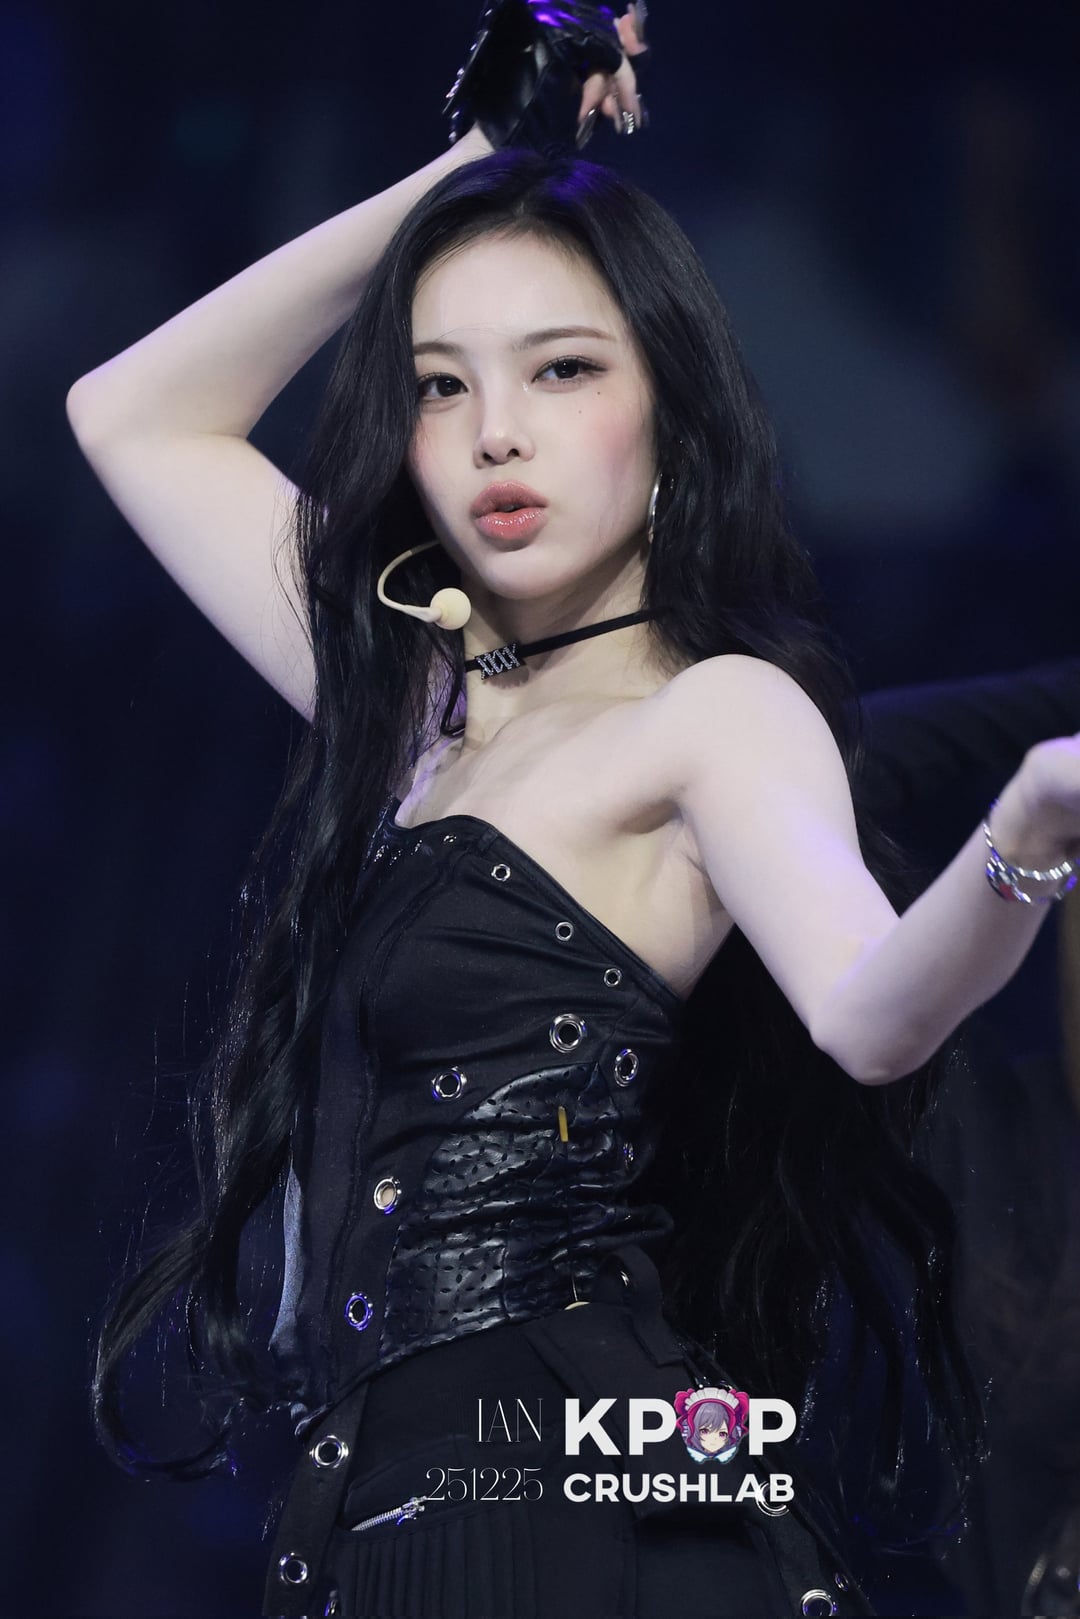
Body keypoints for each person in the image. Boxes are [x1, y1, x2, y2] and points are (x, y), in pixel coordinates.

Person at [65, 4, 1080, 1615]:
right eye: (439, 385)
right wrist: (477, 163)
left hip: (573, 1499)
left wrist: (1024, 837)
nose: (497, 433)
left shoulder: (713, 713)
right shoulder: (409, 709)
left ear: (670, 409)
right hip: (385, 1513)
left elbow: (873, 1019)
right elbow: (132, 413)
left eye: (562, 369)